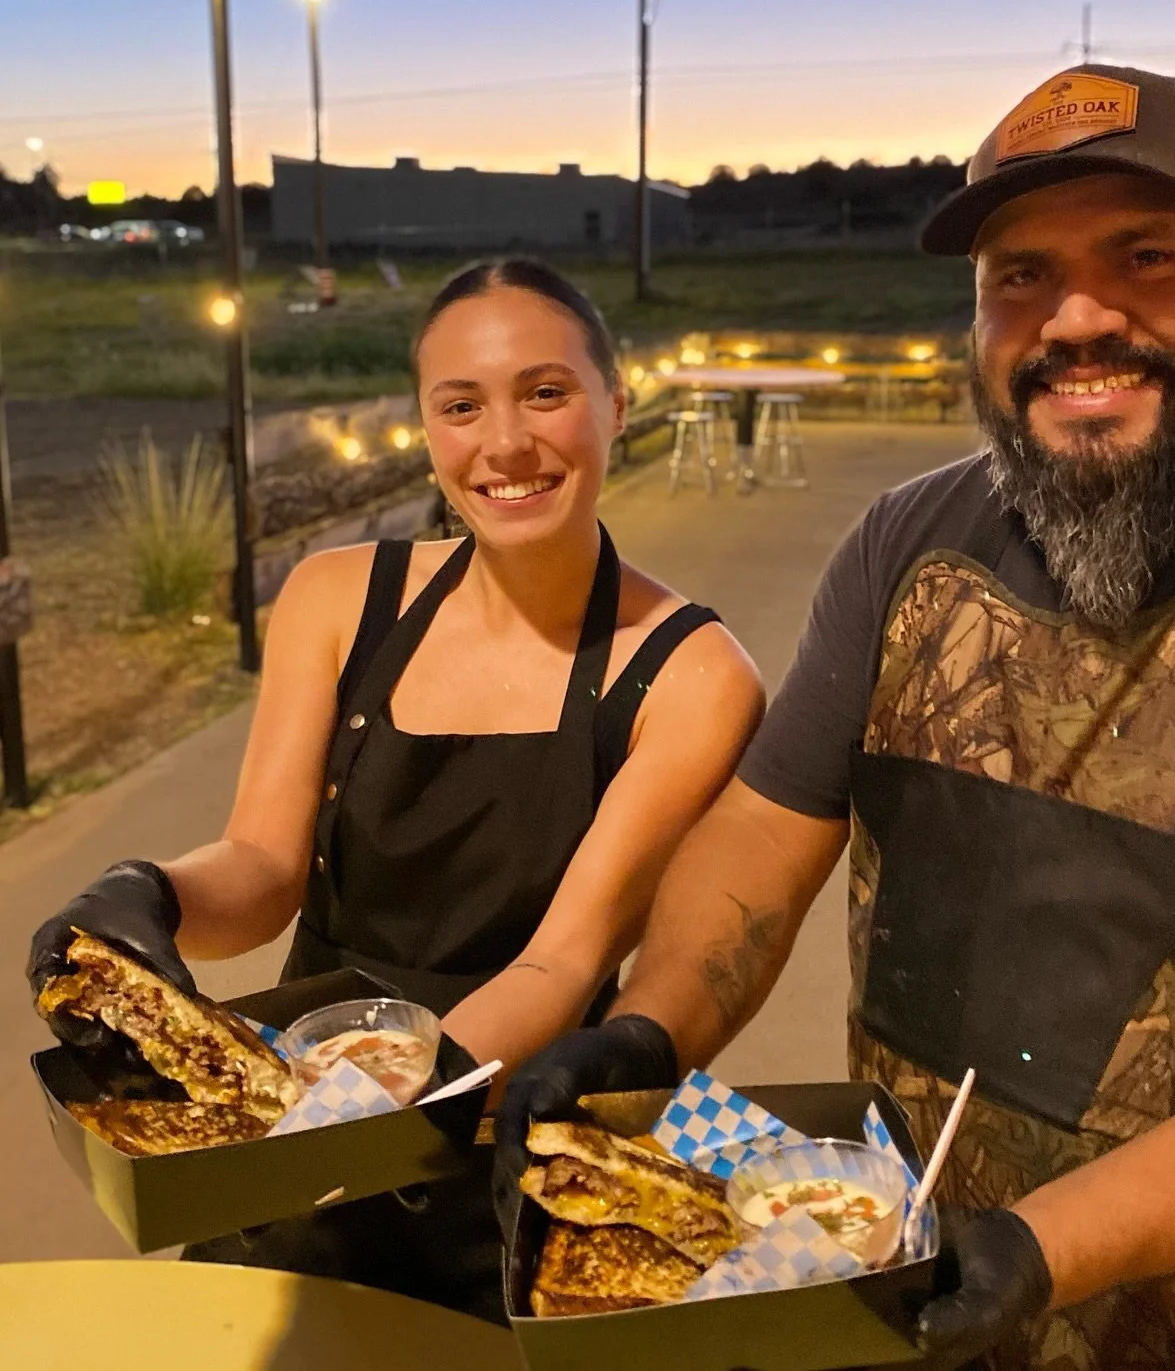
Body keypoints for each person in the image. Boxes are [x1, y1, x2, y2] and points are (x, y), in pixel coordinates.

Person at [499, 68, 1175, 1369]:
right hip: (904, 1287)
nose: (1079, 317)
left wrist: (1045, 1245)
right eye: (1020, 275)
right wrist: (647, 1031)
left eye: (1148, 254)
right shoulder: (907, 543)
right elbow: (768, 833)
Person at [28, 257, 764, 1321]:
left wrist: (392, 1101)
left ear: (618, 402)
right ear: (427, 425)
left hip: (508, 1137)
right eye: (460, 406)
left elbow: (565, 960)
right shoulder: (339, 598)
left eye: (546, 393)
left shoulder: (692, 673)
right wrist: (145, 893)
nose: (504, 444)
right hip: (298, 1122)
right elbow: (265, 869)